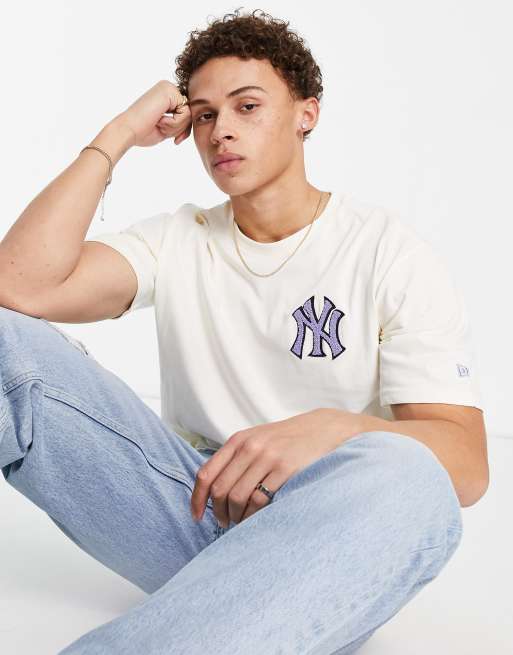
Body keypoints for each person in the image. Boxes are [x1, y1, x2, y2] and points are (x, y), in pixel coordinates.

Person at [0, 8, 488, 654]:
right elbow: (19, 286)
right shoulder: (180, 239)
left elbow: (466, 463)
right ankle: (236, 616)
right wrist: (117, 135)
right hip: (189, 505)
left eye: (247, 106)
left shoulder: (385, 251)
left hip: (327, 541)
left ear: (307, 113)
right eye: (204, 115)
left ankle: (236, 613)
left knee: (413, 479)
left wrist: (331, 430)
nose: (221, 130)